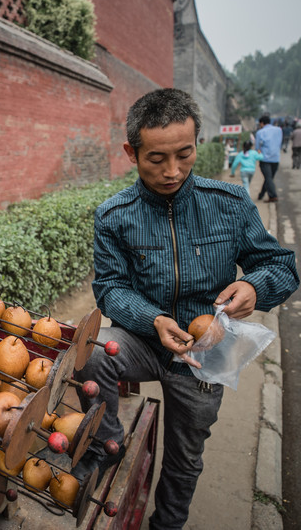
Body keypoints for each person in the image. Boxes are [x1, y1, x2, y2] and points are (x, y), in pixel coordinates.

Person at [72, 89, 298, 530]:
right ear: (131, 153)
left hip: (204, 352)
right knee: (94, 347)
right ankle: (107, 444)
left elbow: (282, 267)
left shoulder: (229, 205)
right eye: (156, 159)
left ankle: (168, 523)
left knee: (184, 455)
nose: (172, 171)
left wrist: (255, 286)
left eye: (184, 154)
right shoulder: (114, 215)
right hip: (142, 338)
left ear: (197, 143)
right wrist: (153, 320)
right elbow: (111, 289)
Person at [255, 115, 283, 202]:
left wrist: (258, 154)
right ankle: (261, 195)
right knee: (269, 178)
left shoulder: (260, 132)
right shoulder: (279, 130)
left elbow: (257, 148)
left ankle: (273, 196)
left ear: (262, 123)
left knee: (268, 178)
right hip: (276, 158)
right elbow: (280, 143)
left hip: (265, 159)